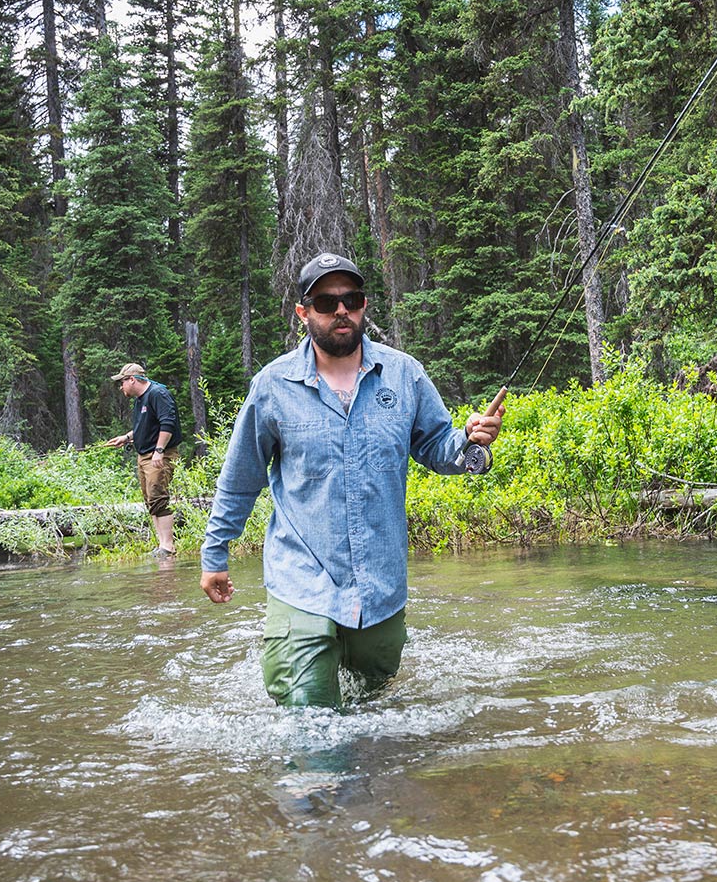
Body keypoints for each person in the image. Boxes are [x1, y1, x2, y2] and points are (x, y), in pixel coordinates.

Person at [198, 252, 504, 709]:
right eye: (326, 302)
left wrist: (472, 442)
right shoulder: (272, 385)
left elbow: (441, 448)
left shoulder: (404, 374)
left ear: (363, 306)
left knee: (374, 709)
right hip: (300, 579)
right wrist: (214, 553)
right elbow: (241, 478)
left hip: (381, 584)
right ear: (303, 313)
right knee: (310, 718)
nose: (341, 310)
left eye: (352, 299)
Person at [104, 362, 181, 556]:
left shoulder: (158, 394)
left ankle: (168, 546)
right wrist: (127, 437)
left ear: (132, 379)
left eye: (122, 382)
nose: (121, 387)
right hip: (144, 455)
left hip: (158, 455)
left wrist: (159, 450)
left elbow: (168, 423)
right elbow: (145, 426)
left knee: (158, 497)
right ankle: (162, 545)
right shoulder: (140, 399)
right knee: (150, 500)